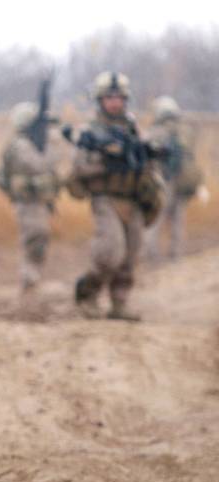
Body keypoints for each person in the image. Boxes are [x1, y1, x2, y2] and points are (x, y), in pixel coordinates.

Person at [66, 71, 163, 321]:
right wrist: (108, 163)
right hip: (106, 198)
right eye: (109, 97)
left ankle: (119, 303)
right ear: (100, 100)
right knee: (110, 251)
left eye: (119, 97)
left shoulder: (134, 129)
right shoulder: (91, 132)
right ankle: (87, 294)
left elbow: (147, 163)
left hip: (134, 199)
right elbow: (78, 169)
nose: (114, 102)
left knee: (131, 255)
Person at [0, 101, 61, 297]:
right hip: (27, 201)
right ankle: (29, 278)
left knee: (40, 236)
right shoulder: (20, 145)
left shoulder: (37, 143)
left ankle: (32, 277)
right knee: (35, 235)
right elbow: (36, 165)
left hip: (40, 200)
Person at [143, 95, 204, 261]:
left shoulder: (156, 131)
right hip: (183, 180)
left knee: (157, 217)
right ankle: (175, 255)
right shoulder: (185, 129)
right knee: (178, 219)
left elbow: (146, 152)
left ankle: (152, 254)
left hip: (164, 180)